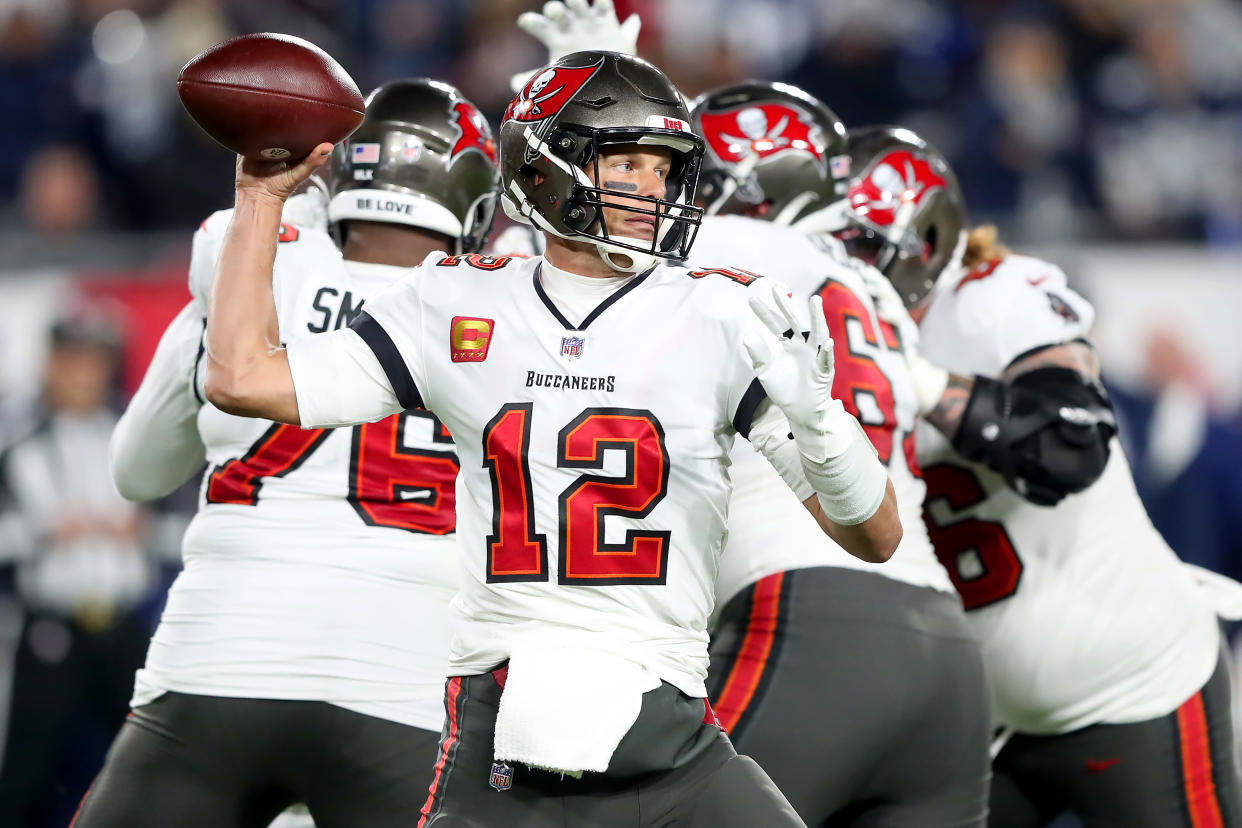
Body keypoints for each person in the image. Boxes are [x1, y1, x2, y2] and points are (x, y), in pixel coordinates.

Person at [202, 49, 900, 828]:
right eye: (626, 162)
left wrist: (823, 423)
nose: (653, 188)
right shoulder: (454, 299)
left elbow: (875, 535)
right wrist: (259, 199)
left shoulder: (720, 314)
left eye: (663, 167)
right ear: (545, 169)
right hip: (503, 730)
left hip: (670, 730)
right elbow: (240, 376)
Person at [508, 6, 990, 823]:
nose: (653, 183)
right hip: (946, 651)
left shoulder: (724, 252)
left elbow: (535, 274)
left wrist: (564, 100)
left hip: (810, 619)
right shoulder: (870, 293)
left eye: (661, 162)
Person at [73, 79, 501, 828]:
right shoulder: (503, 310)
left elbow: (136, 472)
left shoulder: (245, 271)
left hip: (219, 662)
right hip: (403, 687)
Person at [835, 125, 1242, 826]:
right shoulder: (808, 322)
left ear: (927, 241)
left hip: (1131, 685)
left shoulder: (995, 296)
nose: (844, 268)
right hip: (978, 705)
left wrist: (927, 386)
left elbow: (1069, 442)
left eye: (863, 247)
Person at [0, 313, 158, 828]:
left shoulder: (137, 434)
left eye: (92, 362)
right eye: (70, 362)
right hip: (53, 626)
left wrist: (145, 534)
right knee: (27, 765)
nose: (80, 375)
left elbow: (186, 521)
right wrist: (43, 532)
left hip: (124, 622)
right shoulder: (18, 441)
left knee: (146, 758)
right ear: (49, 364)